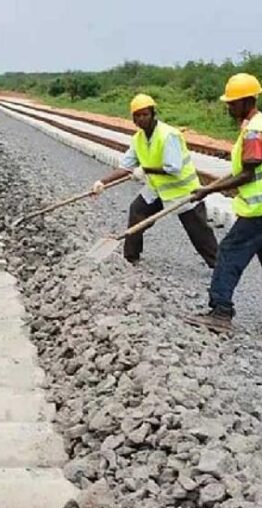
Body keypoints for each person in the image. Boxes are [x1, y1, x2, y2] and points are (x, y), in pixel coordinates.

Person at [91, 93, 217, 267]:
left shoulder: (168, 135)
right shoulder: (138, 139)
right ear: (133, 119)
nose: (142, 119)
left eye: (145, 114)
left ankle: (218, 265)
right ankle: (130, 257)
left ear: (153, 114)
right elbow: (125, 166)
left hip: (183, 191)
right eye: (138, 116)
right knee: (137, 211)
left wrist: (146, 169)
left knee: (198, 231)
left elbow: (173, 168)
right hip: (157, 189)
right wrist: (102, 182)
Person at [186, 73, 262, 333]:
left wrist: (209, 189)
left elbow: (247, 173)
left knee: (228, 253)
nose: (228, 107)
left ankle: (221, 312)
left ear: (246, 101)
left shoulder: (254, 131)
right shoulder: (254, 126)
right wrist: (208, 188)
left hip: (258, 210)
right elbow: (241, 169)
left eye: (232, 102)